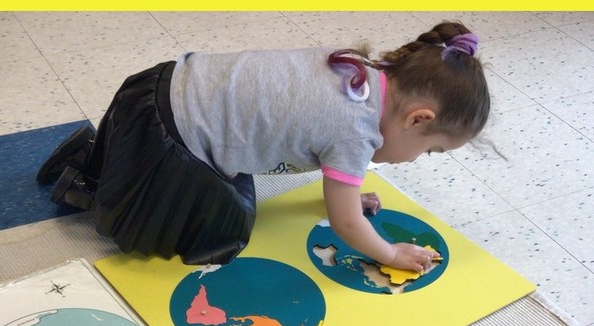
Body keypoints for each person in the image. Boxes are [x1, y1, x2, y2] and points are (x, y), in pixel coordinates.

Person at [37, 20, 489, 270]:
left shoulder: (358, 73)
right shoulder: (356, 132)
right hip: (170, 140)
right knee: (220, 232)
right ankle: (87, 189)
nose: (417, 160)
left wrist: (347, 193)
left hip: (155, 89)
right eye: (430, 151)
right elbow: (345, 225)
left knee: (239, 188)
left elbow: (295, 125)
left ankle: (93, 155)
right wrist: (390, 253)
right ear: (418, 119)